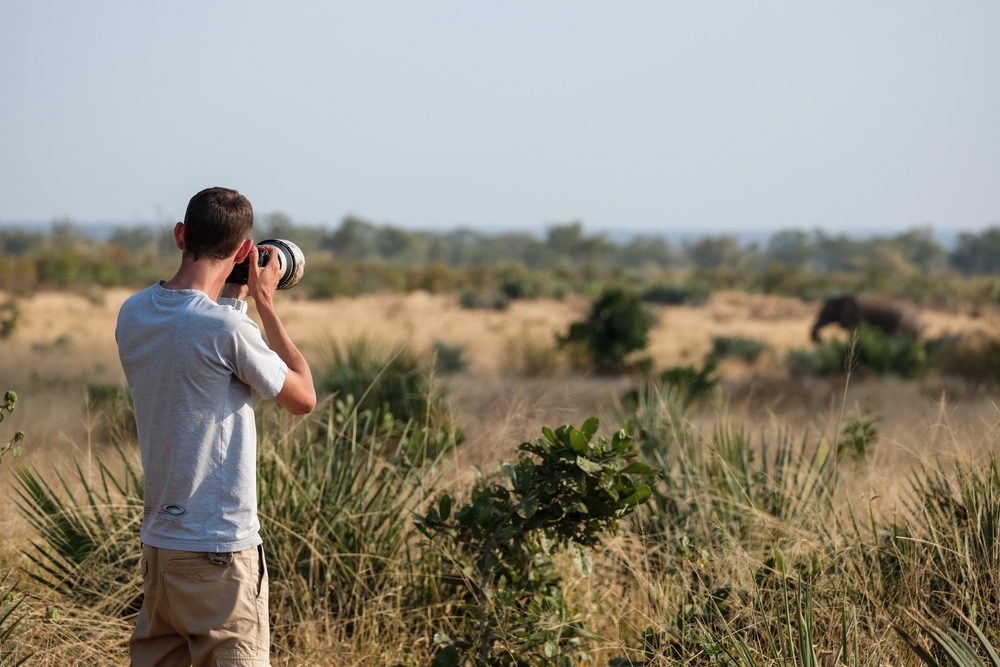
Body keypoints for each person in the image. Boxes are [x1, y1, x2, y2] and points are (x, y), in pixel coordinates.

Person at [116, 187, 316, 667]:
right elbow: (303, 398)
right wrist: (265, 304)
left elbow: (194, 344)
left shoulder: (133, 313)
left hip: (161, 546)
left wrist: (230, 303)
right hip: (219, 550)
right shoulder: (227, 331)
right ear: (245, 251)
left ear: (181, 235)